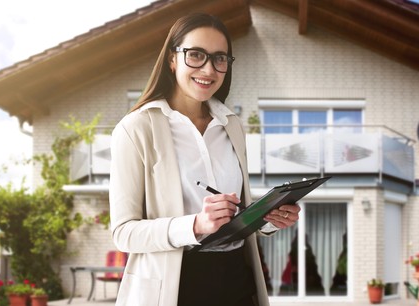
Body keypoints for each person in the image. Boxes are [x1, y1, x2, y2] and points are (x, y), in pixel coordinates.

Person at [109, 13, 300, 306]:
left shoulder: (231, 124)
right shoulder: (136, 128)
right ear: (172, 59)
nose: (209, 69)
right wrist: (195, 224)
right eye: (196, 55)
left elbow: (237, 212)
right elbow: (123, 233)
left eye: (219, 58)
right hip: (175, 287)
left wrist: (267, 218)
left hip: (237, 279)